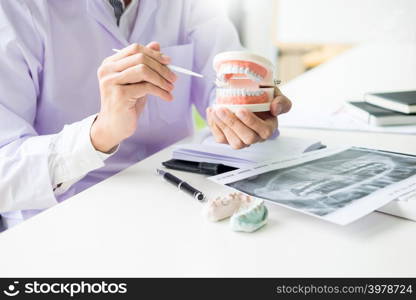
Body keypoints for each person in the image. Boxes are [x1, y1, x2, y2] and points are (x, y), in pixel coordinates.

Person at [0, 0, 291, 229]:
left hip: (175, 199)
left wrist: (245, 108)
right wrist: (98, 135)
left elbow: (224, 74)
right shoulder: (15, 11)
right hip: (60, 224)